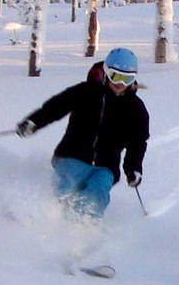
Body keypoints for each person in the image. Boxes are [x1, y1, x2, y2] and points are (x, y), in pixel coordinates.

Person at [16, 47, 149, 219]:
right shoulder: (85, 92)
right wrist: (34, 122)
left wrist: (133, 168)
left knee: (97, 192)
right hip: (72, 156)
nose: (120, 83)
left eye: (127, 78)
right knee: (66, 185)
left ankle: (85, 226)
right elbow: (55, 107)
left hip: (105, 166)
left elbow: (137, 142)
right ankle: (45, 218)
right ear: (106, 71)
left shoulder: (136, 109)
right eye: (116, 76)